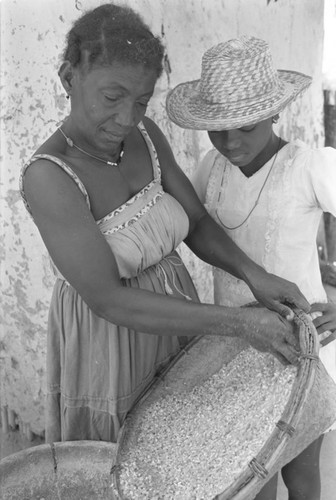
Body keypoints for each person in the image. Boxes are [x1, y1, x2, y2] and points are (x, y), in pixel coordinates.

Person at [20, 6, 309, 445]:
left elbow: (193, 219)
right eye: (112, 98)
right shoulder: (50, 176)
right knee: (128, 455)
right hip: (113, 342)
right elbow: (110, 301)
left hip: (176, 317)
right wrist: (240, 323)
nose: (126, 119)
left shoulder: (145, 136)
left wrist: (255, 275)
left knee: (182, 447)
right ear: (68, 78)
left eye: (140, 102)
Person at [166, 35, 336, 500]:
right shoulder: (209, 170)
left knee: (300, 472)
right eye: (217, 129)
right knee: (248, 478)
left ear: (275, 111)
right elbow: (195, 228)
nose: (230, 140)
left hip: (300, 347)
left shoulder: (308, 167)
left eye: (244, 125)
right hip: (234, 347)